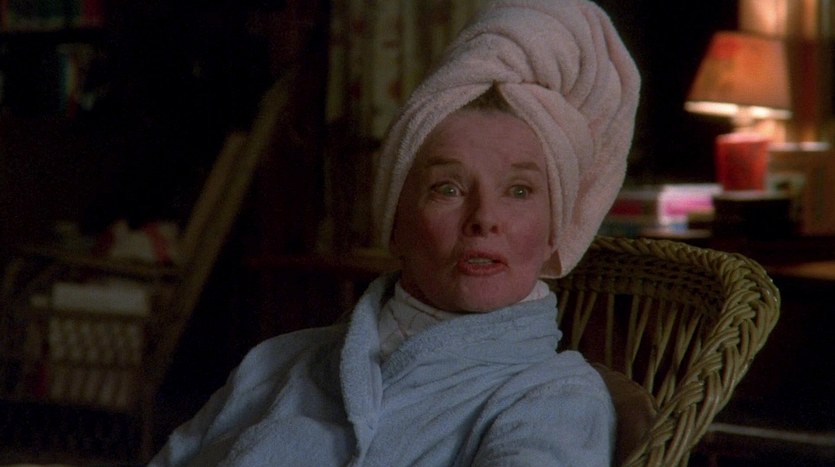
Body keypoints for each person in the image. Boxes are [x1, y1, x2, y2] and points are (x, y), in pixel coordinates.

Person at [150, 0, 639, 465]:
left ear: (555, 231)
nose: (484, 218)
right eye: (448, 188)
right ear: (396, 224)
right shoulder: (278, 362)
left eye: (519, 191)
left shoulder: (557, 399)